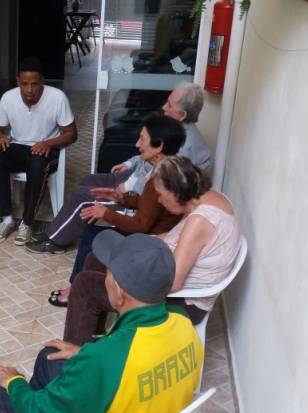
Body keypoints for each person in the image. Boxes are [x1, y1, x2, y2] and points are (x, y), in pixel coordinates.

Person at [0, 231, 203, 413]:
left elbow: (41, 412)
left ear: (121, 290)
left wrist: (15, 383)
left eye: (108, 270)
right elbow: (130, 358)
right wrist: (84, 353)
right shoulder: (183, 324)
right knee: (50, 356)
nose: (105, 276)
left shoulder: (105, 361)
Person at [63, 156, 241, 345]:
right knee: (95, 258)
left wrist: (127, 270)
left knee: (84, 285)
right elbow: (175, 238)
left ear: (175, 193)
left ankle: (74, 360)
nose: (159, 200)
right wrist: (133, 248)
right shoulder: (210, 197)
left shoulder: (200, 221)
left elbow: (173, 284)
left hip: (182, 304)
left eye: (161, 194)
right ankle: (94, 340)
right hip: (167, 274)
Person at [26, 82, 211, 254]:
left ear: (182, 115)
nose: (164, 107)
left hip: (144, 198)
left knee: (82, 196)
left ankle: (55, 240)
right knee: (88, 180)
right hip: (137, 179)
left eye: (169, 105)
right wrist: (130, 164)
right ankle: (68, 229)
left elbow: (156, 189)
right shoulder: (171, 131)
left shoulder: (185, 148)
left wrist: (128, 187)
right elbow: (149, 152)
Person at [47, 115, 185, 307]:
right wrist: (122, 199)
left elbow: (141, 225)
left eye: (142, 139)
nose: (137, 144)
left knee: (91, 239)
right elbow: (150, 206)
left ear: (159, 146)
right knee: (91, 235)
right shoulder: (173, 167)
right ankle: (76, 287)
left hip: (150, 242)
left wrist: (105, 213)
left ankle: (76, 290)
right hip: (151, 234)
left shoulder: (160, 178)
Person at [0, 56, 77, 246]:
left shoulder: (57, 98)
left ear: (41, 81)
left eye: (34, 84)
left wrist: (49, 143)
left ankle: (27, 223)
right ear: (18, 81)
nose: (29, 90)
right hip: (18, 146)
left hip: (45, 150)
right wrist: (1, 138)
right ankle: (6, 219)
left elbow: (71, 134)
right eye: (24, 84)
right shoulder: (8, 98)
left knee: (37, 163)